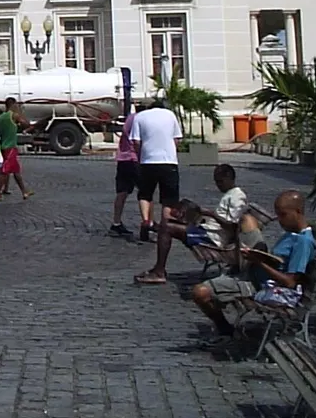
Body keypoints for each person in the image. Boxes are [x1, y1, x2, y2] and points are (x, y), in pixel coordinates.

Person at [189, 189, 316, 345]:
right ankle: (235, 253)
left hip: (261, 284)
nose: (280, 221)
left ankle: (225, 330)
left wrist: (258, 262)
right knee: (246, 220)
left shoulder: (303, 242)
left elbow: (289, 282)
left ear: (297, 212)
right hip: (257, 271)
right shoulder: (292, 233)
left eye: (283, 215)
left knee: (200, 292)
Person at [134, 163, 263, 284]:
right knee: (172, 221)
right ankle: (157, 240)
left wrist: (209, 213)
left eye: (220, 182)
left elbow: (232, 225)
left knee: (167, 227)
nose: (218, 185)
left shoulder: (237, 197)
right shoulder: (231, 194)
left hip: (214, 238)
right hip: (209, 230)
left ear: (229, 178)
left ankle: (159, 271)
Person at [132, 93, 182, 241]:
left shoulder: (139, 117)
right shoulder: (170, 115)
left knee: (145, 194)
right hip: (168, 161)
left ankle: (146, 220)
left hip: (147, 161)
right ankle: (165, 227)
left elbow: (136, 141)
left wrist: (141, 154)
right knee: (169, 198)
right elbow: (177, 139)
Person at [0, 97, 33, 201]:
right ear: (13, 105)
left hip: (3, 146)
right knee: (5, 171)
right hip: (10, 147)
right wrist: (20, 114)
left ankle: (24, 191)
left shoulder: (0, 118)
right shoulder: (13, 115)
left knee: (16, 171)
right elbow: (26, 124)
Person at [109, 109, 139, 237]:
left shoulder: (130, 118)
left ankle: (116, 222)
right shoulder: (141, 120)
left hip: (123, 158)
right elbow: (138, 142)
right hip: (135, 158)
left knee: (122, 192)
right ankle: (148, 223)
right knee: (146, 193)